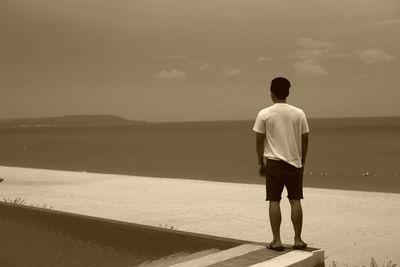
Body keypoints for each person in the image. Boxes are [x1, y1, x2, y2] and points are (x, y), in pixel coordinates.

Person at [253, 77, 309, 251]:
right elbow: (305, 139)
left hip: (274, 163)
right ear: (288, 92)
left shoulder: (264, 113)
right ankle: (298, 239)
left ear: (272, 93)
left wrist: (260, 162)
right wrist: (302, 161)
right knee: (295, 200)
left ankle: (276, 240)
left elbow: (259, 141)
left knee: (274, 201)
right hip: (294, 163)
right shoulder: (299, 113)